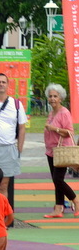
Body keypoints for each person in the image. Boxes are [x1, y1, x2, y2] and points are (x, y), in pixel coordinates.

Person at [42, 83, 77, 218]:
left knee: (58, 179)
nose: (52, 99)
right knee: (55, 179)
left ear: (60, 98)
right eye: (50, 96)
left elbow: (70, 132)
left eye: (55, 96)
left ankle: (75, 199)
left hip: (62, 151)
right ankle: (58, 208)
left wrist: (53, 129)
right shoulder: (52, 112)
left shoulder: (64, 113)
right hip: (51, 150)